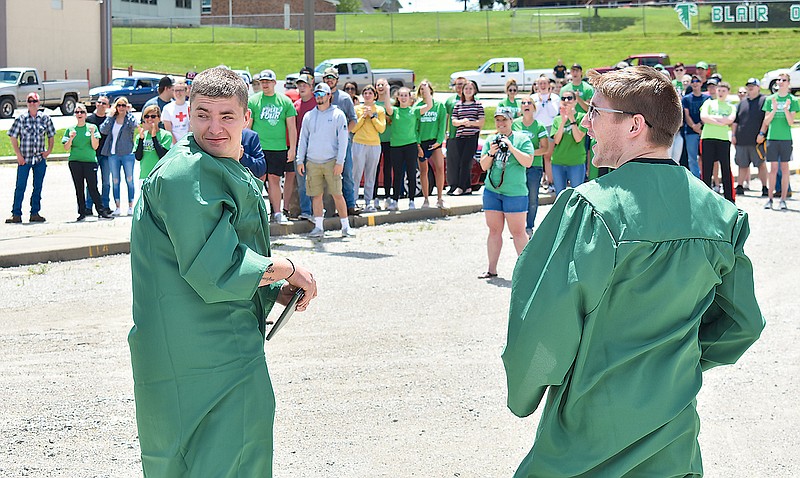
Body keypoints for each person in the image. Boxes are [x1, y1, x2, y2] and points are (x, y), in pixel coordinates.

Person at [503, 65, 764, 478]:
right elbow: (742, 323)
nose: (585, 122)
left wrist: (525, 392)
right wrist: (675, 365)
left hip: (587, 437)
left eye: (594, 112)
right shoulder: (722, 217)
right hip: (673, 441)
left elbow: (543, 326)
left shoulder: (591, 208)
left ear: (634, 125)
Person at [129, 67, 318, 477]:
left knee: (217, 456)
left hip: (213, 347)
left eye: (226, 116)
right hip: (205, 353)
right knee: (222, 458)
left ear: (246, 118)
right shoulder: (186, 174)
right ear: (187, 114)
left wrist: (269, 290)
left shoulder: (209, 166)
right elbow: (215, 271)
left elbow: (224, 254)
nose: (214, 127)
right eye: (202, 114)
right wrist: (286, 268)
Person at [479, 107, 534, 279]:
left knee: (518, 232)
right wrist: (491, 152)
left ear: (511, 121)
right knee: (494, 230)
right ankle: (491, 269)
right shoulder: (491, 140)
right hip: (492, 192)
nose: (501, 123)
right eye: (498, 120)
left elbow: (528, 162)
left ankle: (528, 272)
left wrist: (510, 147)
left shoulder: (522, 139)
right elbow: (483, 166)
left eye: (504, 120)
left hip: (515, 193)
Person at [296, 83, 355, 238]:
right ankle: (319, 227)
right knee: (316, 195)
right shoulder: (309, 116)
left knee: (337, 193)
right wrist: (300, 159)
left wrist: (340, 162)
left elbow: (343, 140)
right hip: (313, 161)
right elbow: (303, 139)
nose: (320, 97)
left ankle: (345, 226)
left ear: (330, 96)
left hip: (331, 161)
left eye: (323, 94)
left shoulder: (338, 115)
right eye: (317, 94)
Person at [248, 69, 297, 225]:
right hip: (258, 148)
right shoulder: (253, 101)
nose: (265, 85)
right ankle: (254, 212)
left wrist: (292, 148)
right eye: (262, 82)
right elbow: (248, 126)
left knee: (275, 180)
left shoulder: (285, 101)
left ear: (275, 83)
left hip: (278, 147)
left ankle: (277, 212)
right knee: (257, 179)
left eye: (268, 82)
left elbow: (291, 127)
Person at [5, 93, 55, 224]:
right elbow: (13, 136)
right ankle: (16, 214)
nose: (32, 103)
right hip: (25, 159)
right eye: (30, 101)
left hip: (39, 159)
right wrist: (18, 155)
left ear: (39, 103)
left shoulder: (45, 119)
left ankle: (35, 213)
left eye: (35, 101)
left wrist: (48, 151)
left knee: (37, 187)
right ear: (27, 103)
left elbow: (51, 135)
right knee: (20, 186)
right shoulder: (20, 119)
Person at [382, 86, 433, 210]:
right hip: (396, 146)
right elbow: (387, 107)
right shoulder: (395, 111)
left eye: (406, 95)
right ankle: (395, 201)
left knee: (411, 172)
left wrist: (426, 91)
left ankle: (411, 200)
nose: (404, 98)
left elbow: (429, 106)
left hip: (410, 145)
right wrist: (387, 90)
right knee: (398, 173)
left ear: (410, 98)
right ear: (398, 98)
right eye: (401, 95)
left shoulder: (414, 111)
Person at [62, 104, 114, 221]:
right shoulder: (70, 130)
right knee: (78, 187)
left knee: (92, 187)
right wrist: (70, 138)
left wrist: (91, 134)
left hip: (89, 161)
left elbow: (95, 146)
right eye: (77, 112)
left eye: (82, 112)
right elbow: (66, 147)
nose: (79, 114)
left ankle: (101, 211)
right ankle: (82, 212)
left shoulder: (92, 127)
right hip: (75, 161)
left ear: (85, 114)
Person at [322, 67, 361, 216]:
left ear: (337, 80)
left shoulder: (344, 98)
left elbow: (353, 120)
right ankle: (330, 208)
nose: (329, 80)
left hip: (344, 144)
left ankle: (350, 205)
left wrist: (345, 135)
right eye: (327, 77)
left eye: (332, 78)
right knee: (327, 176)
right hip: (325, 144)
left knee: (347, 174)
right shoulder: (320, 96)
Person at [760, 72, 799, 210]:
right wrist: (774, 109)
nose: (780, 82)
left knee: (784, 168)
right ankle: (770, 199)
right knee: (773, 169)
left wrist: (786, 109)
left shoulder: (793, 100)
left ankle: (783, 199)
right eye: (778, 80)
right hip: (772, 138)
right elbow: (766, 121)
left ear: (788, 83)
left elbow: (790, 122)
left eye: (783, 80)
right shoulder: (770, 99)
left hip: (786, 138)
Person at [512, 96, 549, 236]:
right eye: (523, 103)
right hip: (517, 166)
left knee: (532, 198)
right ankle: (518, 227)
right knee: (518, 196)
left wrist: (528, 154)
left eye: (529, 103)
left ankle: (529, 226)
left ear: (534, 107)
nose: (526, 105)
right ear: (520, 108)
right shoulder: (514, 124)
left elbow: (545, 148)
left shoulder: (539, 126)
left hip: (534, 167)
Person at [351, 84, 386, 213]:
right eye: (365, 93)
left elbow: (381, 128)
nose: (367, 95)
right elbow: (353, 128)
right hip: (359, 143)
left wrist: (372, 116)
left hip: (374, 144)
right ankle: (353, 201)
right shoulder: (357, 109)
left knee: (371, 174)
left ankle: (368, 201)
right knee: (356, 173)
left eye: (370, 93)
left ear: (374, 96)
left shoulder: (379, 110)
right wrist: (363, 117)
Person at [100, 96, 138, 216]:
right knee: (115, 180)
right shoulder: (112, 119)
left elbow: (134, 125)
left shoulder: (129, 119)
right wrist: (110, 116)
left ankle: (131, 206)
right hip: (113, 154)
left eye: (123, 105)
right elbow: (103, 130)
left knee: (130, 180)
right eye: (119, 105)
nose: (121, 108)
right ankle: (117, 207)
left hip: (127, 153)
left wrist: (130, 112)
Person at [699, 81, 736, 203]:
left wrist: (713, 119)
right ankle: (705, 198)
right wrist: (720, 122)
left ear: (728, 93)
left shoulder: (731, 107)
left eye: (723, 91)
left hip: (723, 140)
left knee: (725, 168)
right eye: (719, 90)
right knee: (707, 168)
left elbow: (730, 119)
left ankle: (729, 198)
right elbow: (704, 117)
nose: (721, 93)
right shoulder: (709, 103)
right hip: (708, 138)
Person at [732, 78, 768, 197]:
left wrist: (762, 134)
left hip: (757, 141)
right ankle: (740, 186)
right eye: (748, 85)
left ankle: (764, 187)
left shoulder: (764, 100)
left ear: (758, 87)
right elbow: (736, 121)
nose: (750, 87)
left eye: (753, 85)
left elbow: (766, 120)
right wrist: (733, 135)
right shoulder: (742, 103)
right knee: (742, 164)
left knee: (761, 164)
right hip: (742, 139)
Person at [415, 80, 447, 209]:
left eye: (426, 89)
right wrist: (417, 145)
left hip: (435, 141)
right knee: (424, 170)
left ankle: (440, 198)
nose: (424, 92)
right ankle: (426, 198)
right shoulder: (418, 106)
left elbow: (442, 124)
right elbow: (414, 127)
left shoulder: (439, 106)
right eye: (421, 89)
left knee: (440, 168)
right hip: (422, 142)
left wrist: (439, 141)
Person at [450, 80, 484, 196]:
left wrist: (471, 123)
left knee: (465, 161)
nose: (468, 91)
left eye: (470, 89)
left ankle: (460, 187)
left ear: (474, 91)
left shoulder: (478, 104)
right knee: (462, 161)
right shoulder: (458, 105)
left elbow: (481, 122)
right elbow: (453, 121)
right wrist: (461, 122)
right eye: (466, 89)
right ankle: (468, 186)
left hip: (472, 136)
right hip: (460, 136)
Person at [550, 92, 587, 194]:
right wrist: (563, 121)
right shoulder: (557, 119)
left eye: (569, 98)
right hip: (558, 162)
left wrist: (571, 119)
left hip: (576, 162)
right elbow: (556, 140)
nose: (566, 101)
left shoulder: (582, 117)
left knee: (577, 194)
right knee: (559, 195)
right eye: (563, 98)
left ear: (575, 101)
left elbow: (578, 138)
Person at [291, 73, 316, 221]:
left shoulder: (317, 103)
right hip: (301, 148)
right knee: (302, 182)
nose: (301, 88)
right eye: (299, 85)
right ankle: (306, 211)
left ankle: (317, 210)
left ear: (310, 86)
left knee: (316, 181)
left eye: (304, 85)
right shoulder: (296, 105)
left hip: (316, 148)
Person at [532, 76, 560, 194]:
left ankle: (550, 181)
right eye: (540, 83)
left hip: (549, 127)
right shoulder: (533, 98)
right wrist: (539, 101)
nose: (542, 85)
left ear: (549, 85)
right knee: (535, 155)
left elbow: (553, 112)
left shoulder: (555, 98)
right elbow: (534, 113)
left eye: (544, 83)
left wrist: (547, 100)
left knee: (548, 156)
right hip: (536, 127)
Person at [85, 96, 112, 215]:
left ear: (108, 106)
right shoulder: (89, 119)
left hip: (106, 154)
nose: (101, 105)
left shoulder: (109, 119)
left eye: (104, 103)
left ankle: (105, 205)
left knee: (106, 182)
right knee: (91, 182)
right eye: (99, 102)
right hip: (92, 154)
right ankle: (88, 206)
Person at [134, 104, 172, 184]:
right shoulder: (140, 136)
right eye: (147, 116)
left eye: (153, 116)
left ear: (159, 118)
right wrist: (141, 139)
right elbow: (138, 157)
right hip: (144, 176)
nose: (150, 119)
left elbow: (162, 155)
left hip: (160, 176)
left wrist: (154, 137)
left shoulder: (166, 135)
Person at [682, 75, 711, 179]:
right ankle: (696, 179)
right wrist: (694, 126)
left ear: (701, 83)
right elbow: (686, 115)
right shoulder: (686, 99)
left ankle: (706, 179)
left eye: (697, 81)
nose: (695, 83)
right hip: (690, 132)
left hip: (705, 132)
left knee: (705, 157)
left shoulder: (707, 98)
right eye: (693, 81)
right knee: (692, 158)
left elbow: (708, 113)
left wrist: (700, 125)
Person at [375, 78, 395, 209]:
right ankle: (374, 197)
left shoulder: (392, 103)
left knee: (388, 169)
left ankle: (388, 196)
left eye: (383, 84)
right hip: (376, 140)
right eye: (378, 85)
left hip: (390, 140)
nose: (381, 86)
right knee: (374, 170)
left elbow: (392, 118)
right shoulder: (373, 103)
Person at [445, 76, 467, 195]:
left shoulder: (472, 99)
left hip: (467, 136)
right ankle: (453, 185)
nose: (459, 87)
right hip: (453, 135)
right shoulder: (450, 101)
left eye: (462, 84)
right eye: (457, 84)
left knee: (465, 162)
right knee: (452, 162)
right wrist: (445, 132)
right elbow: (446, 117)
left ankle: (464, 185)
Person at [161, 79, 191, 144]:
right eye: (176, 90)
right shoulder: (167, 108)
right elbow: (168, 130)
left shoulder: (191, 106)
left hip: (188, 143)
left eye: (181, 90)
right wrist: (176, 145)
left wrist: (187, 142)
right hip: (174, 145)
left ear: (186, 91)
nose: (178, 93)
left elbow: (192, 126)